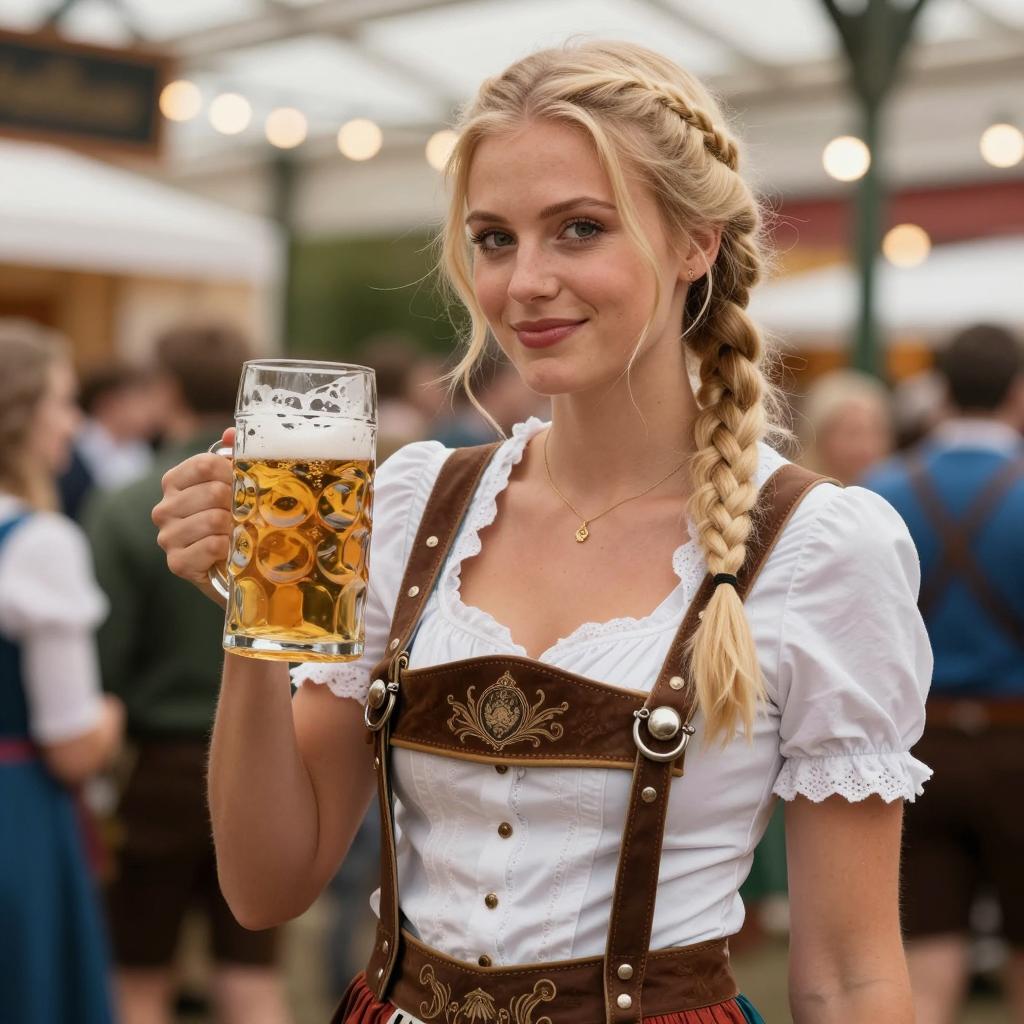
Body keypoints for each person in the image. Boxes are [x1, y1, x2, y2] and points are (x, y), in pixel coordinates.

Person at [152, 41, 932, 1023]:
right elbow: (267, 889)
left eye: (577, 229)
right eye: (493, 238)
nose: (524, 282)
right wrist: (254, 621)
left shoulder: (818, 545)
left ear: (695, 241)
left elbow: (852, 976)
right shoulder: (415, 504)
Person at [85, 324, 293, 1024]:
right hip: (273, 753)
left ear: (165, 391)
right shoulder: (287, 497)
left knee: (141, 980)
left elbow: (102, 659)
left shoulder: (127, 504)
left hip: (159, 764)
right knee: (251, 980)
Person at [864, 323, 1024, 1024]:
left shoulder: (880, 489)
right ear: (1017, 391)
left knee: (925, 974)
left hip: (917, 750)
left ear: (944, 388)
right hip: (1018, 745)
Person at [0, 319, 124, 1024]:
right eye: (61, 401)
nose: (72, 423)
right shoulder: (37, 544)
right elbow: (71, 746)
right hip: (14, 820)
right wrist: (111, 717)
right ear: (20, 417)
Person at [59, 363, 160, 521]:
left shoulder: (146, 449)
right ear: (109, 403)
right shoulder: (71, 450)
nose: (152, 409)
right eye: (141, 399)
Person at [798, 368, 893, 484]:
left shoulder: (891, 493)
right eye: (853, 433)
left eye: (877, 432)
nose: (868, 446)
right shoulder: (803, 494)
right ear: (820, 436)